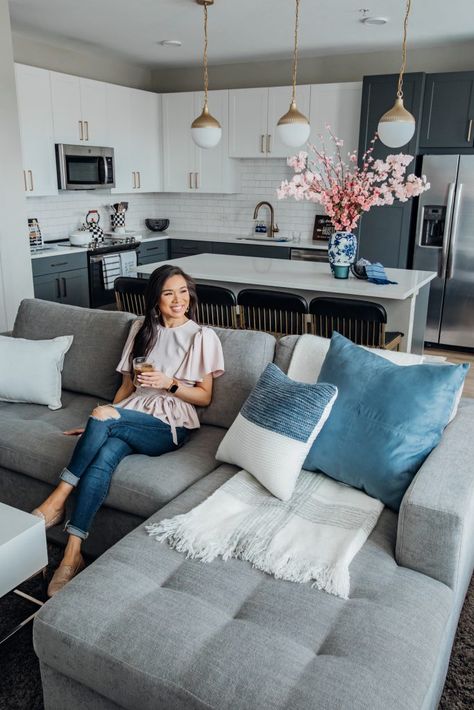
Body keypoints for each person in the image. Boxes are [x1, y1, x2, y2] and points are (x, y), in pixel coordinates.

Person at [32, 265, 225, 596]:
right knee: (104, 453)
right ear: (156, 298)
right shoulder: (141, 329)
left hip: (170, 423)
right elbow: (125, 388)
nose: (178, 299)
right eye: (168, 293)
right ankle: (72, 554)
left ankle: (58, 498)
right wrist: (101, 423)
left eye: (183, 292)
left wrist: (170, 383)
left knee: (105, 419)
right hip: (133, 412)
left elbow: (204, 397)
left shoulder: (201, 336)